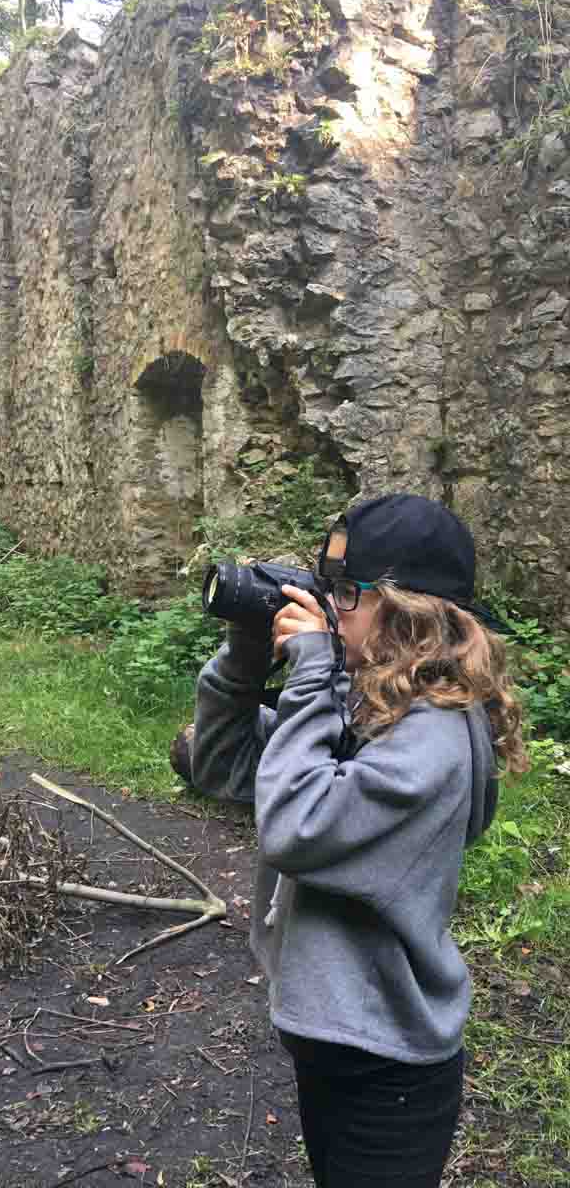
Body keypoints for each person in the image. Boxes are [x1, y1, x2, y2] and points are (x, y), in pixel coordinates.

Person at [191, 493, 527, 1188]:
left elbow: (294, 826)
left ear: (411, 610)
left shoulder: (432, 735)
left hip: (388, 1064)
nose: (328, 606)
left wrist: (312, 669)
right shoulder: (372, 706)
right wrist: (247, 654)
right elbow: (223, 765)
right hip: (339, 1033)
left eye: (347, 593)